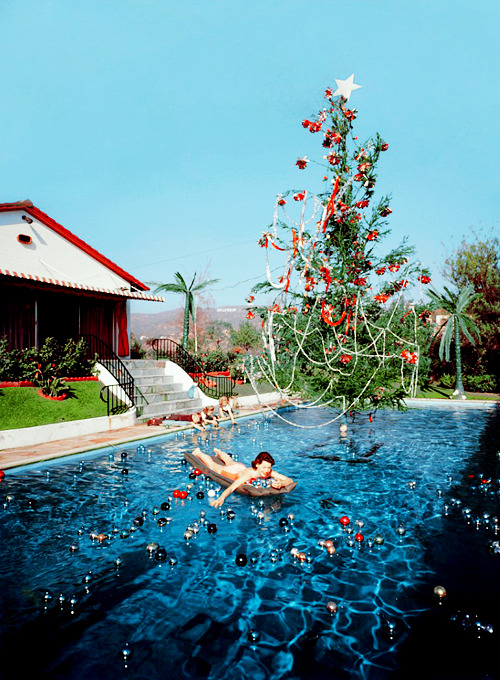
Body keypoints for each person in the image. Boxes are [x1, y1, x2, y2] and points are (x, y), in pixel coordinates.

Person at [192, 447, 294, 507]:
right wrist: (221, 498)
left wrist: (282, 483)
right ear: (257, 464)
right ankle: (198, 452)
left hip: (241, 468)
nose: (267, 470)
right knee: (213, 466)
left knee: (230, 462)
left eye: (269, 467)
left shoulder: (268, 472)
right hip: (232, 472)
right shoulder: (250, 475)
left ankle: (219, 452)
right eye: (264, 467)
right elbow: (232, 486)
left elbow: (289, 480)